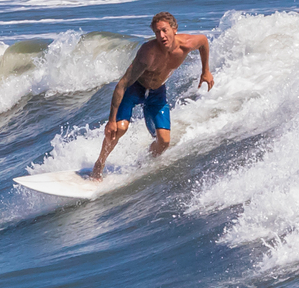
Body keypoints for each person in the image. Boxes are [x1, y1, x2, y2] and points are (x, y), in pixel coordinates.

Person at [90, 12, 214, 180]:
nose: (161, 36)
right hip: (135, 88)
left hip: (157, 92)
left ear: (174, 29)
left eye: (164, 30)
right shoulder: (148, 53)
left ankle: (143, 164)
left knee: (164, 141)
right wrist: (111, 120)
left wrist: (205, 71)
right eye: (157, 32)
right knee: (120, 128)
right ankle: (99, 164)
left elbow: (204, 42)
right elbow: (122, 84)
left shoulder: (187, 44)